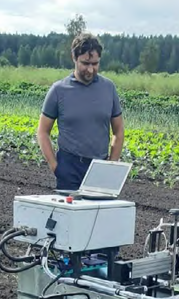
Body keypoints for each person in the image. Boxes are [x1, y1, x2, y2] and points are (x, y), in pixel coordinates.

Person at [37, 32, 124, 190]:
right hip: (69, 168)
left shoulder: (108, 88)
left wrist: (112, 163)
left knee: (99, 214)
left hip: (100, 168)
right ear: (74, 58)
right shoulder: (58, 90)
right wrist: (55, 167)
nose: (90, 70)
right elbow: (43, 132)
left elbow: (118, 130)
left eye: (95, 64)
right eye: (85, 63)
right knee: (70, 215)